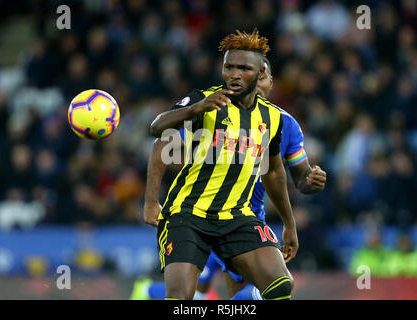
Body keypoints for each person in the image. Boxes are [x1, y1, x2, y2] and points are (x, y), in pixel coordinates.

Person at [132, 56, 327, 300]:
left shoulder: (281, 122)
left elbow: (283, 174)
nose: (239, 76)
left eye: (257, 75)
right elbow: (161, 137)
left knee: (257, 291)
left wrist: (309, 183)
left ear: (265, 78)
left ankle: (148, 291)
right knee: (192, 294)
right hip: (192, 214)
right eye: (231, 68)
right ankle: (148, 291)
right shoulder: (209, 103)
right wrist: (151, 201)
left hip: (243, 217)